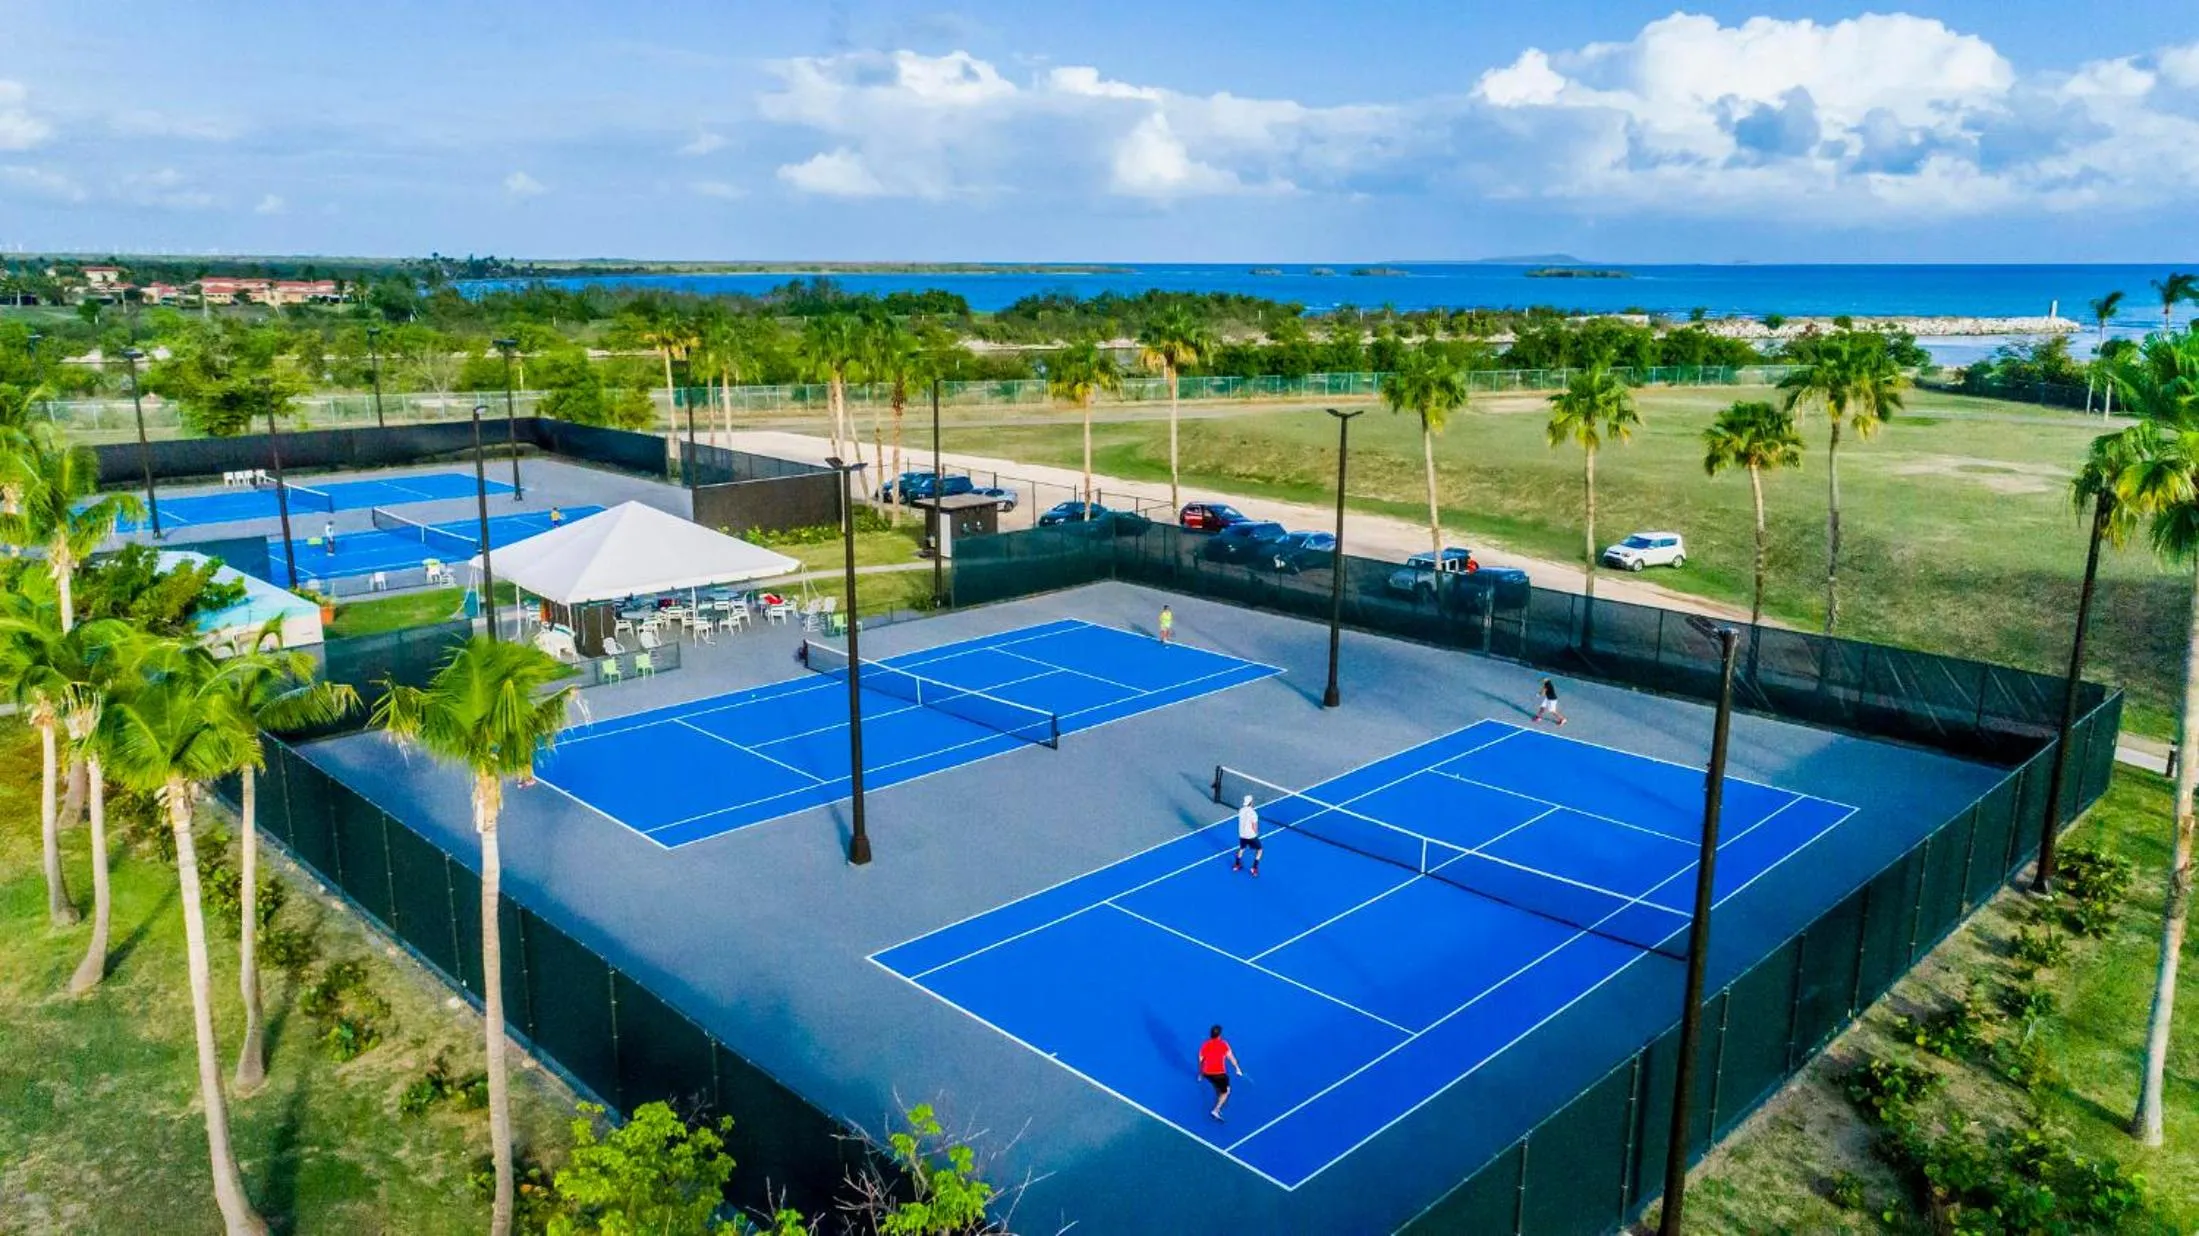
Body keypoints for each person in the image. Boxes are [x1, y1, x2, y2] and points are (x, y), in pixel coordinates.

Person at [1197, 1025, 1243, 1121]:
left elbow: (1201, 1060)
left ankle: (1219, 1092)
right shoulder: (1223, 1044)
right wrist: (1237, 1068)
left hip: (1207, 1073)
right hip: (1219, 1074)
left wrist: (1201, 1074)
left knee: (1215, 1083)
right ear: (1219, 1035)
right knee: (1227, 1091)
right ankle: (1216, 1110)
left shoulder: (1205, 1044)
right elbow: (1231, 1057)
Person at [1232, 794, 1262, 876]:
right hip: (1251, 836)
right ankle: (1254, 868)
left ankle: (1237, 865)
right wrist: (1256, 833)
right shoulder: (1254, 813)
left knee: (1241, 849)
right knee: (1260, 850)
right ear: (1251, 802)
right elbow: (1254, 826)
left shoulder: (1241, 810)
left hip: (1242, 834)